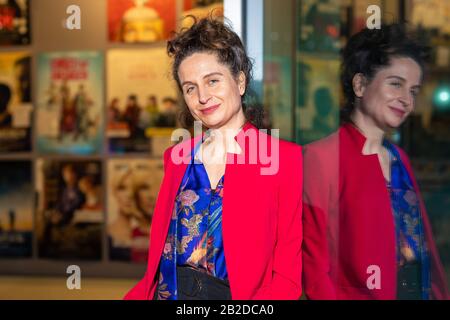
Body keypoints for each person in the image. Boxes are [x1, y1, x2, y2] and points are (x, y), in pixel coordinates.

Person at [124, 17, 303, 300]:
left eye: (213, 81)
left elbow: (287, 275)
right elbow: (160, 258)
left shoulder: (284, 159)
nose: (202, 97)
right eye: (190, 87)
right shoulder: (177, 157)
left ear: (240, 81)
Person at [302, 23, 449, 300]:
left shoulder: (398, 158)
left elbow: (422, 246)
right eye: (396, 84)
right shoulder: (320, 158)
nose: (407, 100)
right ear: (360, 84)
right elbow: (314, 269)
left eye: (414, 91)